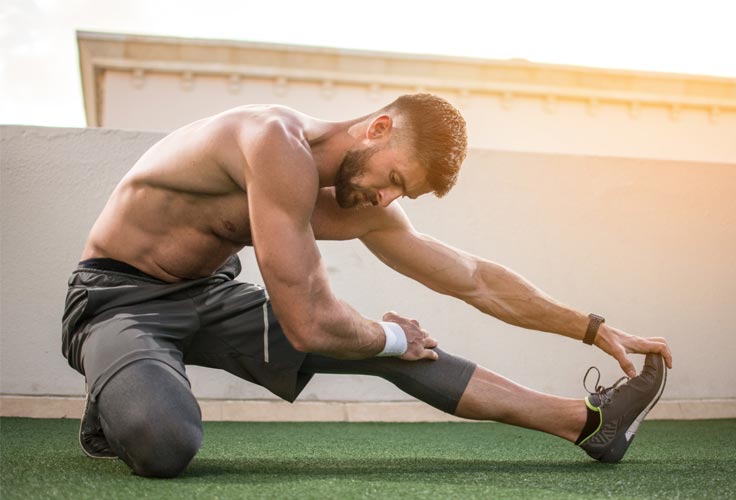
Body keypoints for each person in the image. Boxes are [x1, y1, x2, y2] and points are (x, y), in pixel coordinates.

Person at [62, 94, 672, 478]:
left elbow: (476, 280)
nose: (388, 199)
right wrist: (385, 335)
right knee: (166, 445)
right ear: (377, 128)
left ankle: (588, 424)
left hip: (210, 295)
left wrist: (592, 327)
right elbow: (308, 322)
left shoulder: (362, 197)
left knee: (402, 348)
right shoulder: (272, 142)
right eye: (395, 179)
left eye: (404, 194)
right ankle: (112, 405)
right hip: (120, 298)